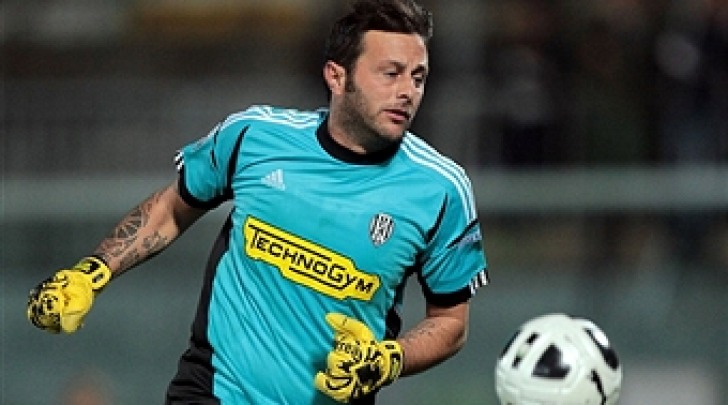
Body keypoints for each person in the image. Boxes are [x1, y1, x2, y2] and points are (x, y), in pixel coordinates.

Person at [26, 0, 489, 403]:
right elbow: (171, 209)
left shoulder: (442, 190)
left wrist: (390, 359)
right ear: (336, 76)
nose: (408, 91)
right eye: (390, 73)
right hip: (213, 391)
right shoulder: (253, 137)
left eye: (418, 77)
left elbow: (451, 322)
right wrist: (93, 273)